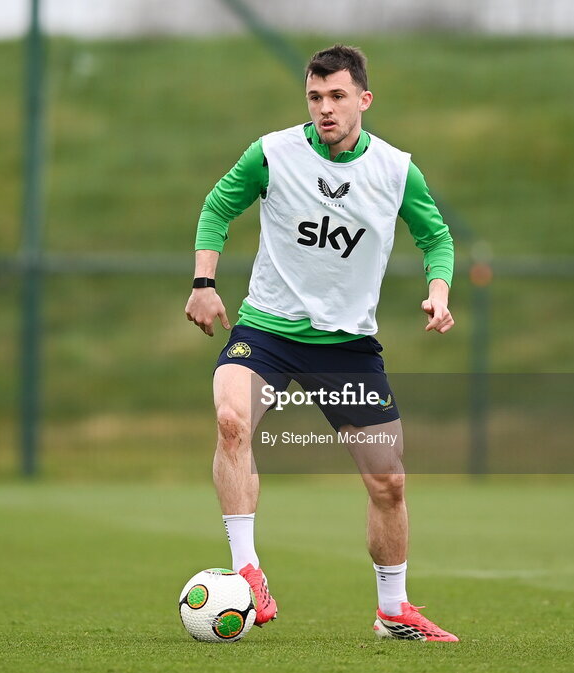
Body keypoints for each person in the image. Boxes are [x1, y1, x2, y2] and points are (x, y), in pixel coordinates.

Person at [184, 44, 458, 642]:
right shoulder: (272, 154)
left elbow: (436, 237)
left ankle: (393, 610)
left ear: (364, 99)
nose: (325, 109)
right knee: (232, 420)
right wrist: (204, 283)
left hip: (347, 346)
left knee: (388, 482)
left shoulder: (395, 169)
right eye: (315, 97)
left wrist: (439, 290)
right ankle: (247, 571)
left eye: (337, 97)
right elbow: (218, 206)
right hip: (267, 329)